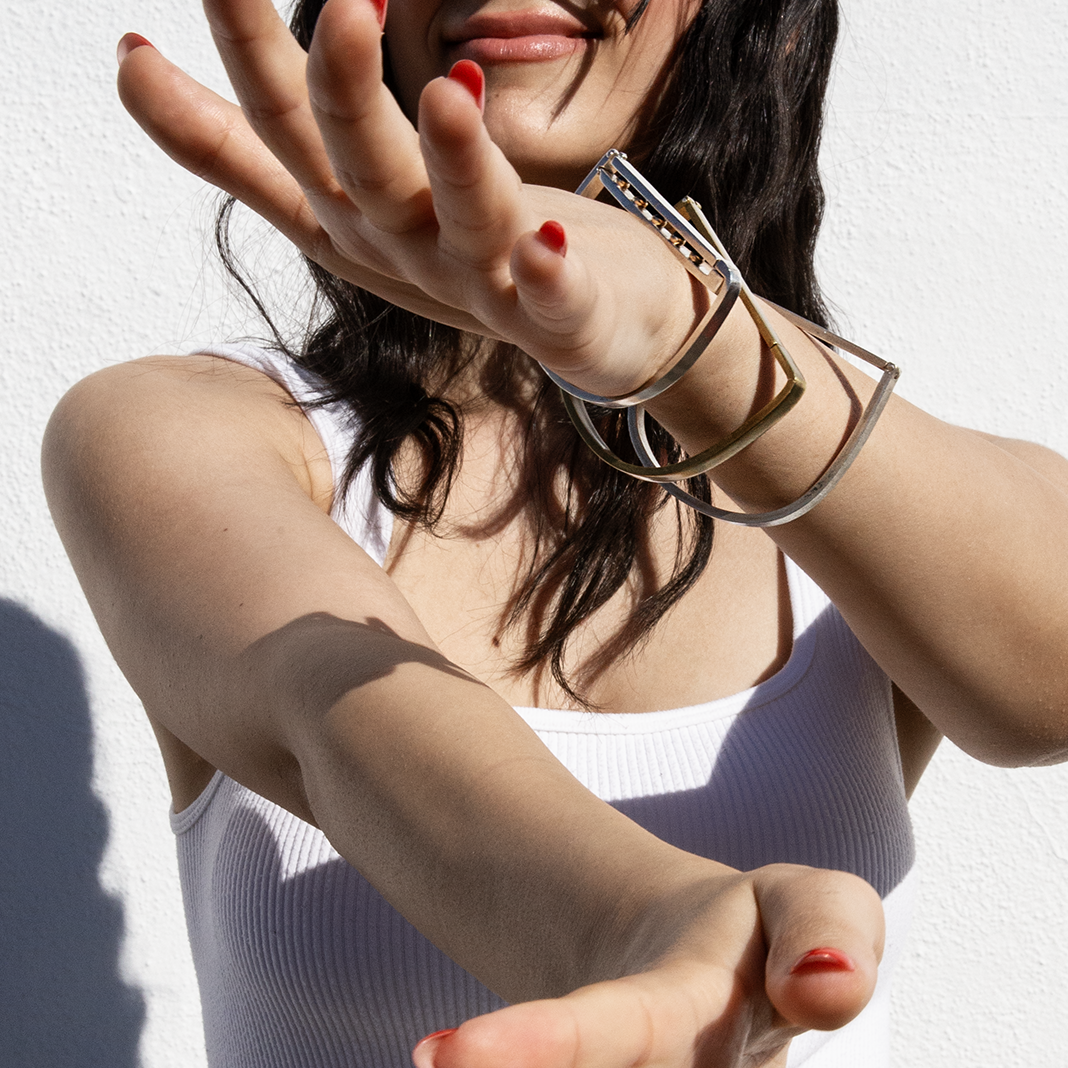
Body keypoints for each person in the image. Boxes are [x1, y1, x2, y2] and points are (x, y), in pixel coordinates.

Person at [41, 0, 1068, 1065]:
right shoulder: (182, 430)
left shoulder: (833, 461)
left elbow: (1046, 686)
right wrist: (639, 925)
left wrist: (678, 332)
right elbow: (335, 715)